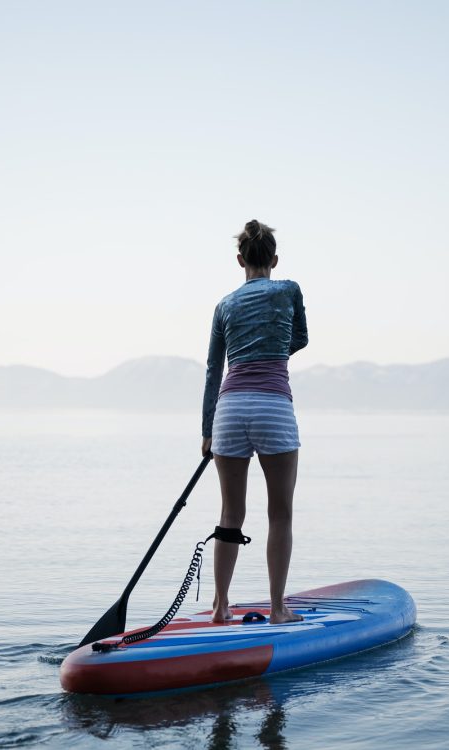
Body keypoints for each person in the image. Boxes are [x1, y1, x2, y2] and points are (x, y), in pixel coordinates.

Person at [201, 219, 308, 625]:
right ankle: (278, 608)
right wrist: (273, 344)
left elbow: (214, 368)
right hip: (272, 406)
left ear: (240, 259)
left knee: (231, 513)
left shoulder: (224, 305)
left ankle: (220, 606)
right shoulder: (289, 290)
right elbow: (300, 338)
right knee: (279, 513)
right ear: (274, 260)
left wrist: (207, 431)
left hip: (228, 410)